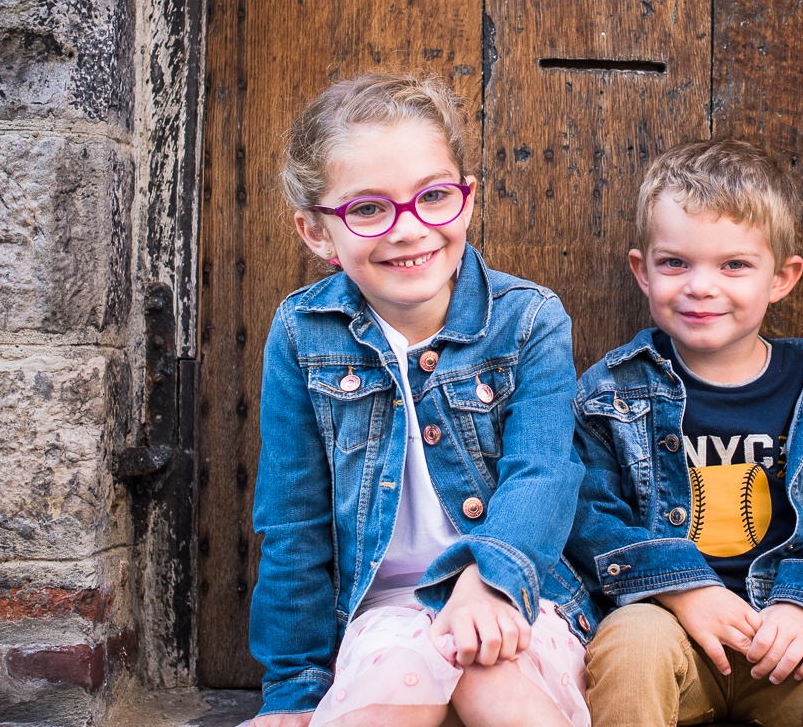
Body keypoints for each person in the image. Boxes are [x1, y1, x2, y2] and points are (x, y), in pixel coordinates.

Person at [243, 73, 596, 727]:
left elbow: (544, 475)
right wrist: (291, 693)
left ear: (465, 198)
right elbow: (294, 524)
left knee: (499, 687)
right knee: (383, 701)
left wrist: (488, 576)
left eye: (433, 195)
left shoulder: (527, 320)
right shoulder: (301, 334)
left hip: (517, 589)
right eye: (369, 209)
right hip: (380, 613)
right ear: (318, 231)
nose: (410, 229)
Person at [566, 138, 803, 726]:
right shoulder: (612, 393)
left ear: (781, 277)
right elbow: (585, 512)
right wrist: (681, 590)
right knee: (631, 642)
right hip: (671, 630)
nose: (701, 286)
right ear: (642, 272)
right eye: (675, 263)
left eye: (734, 265)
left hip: (787, 644)